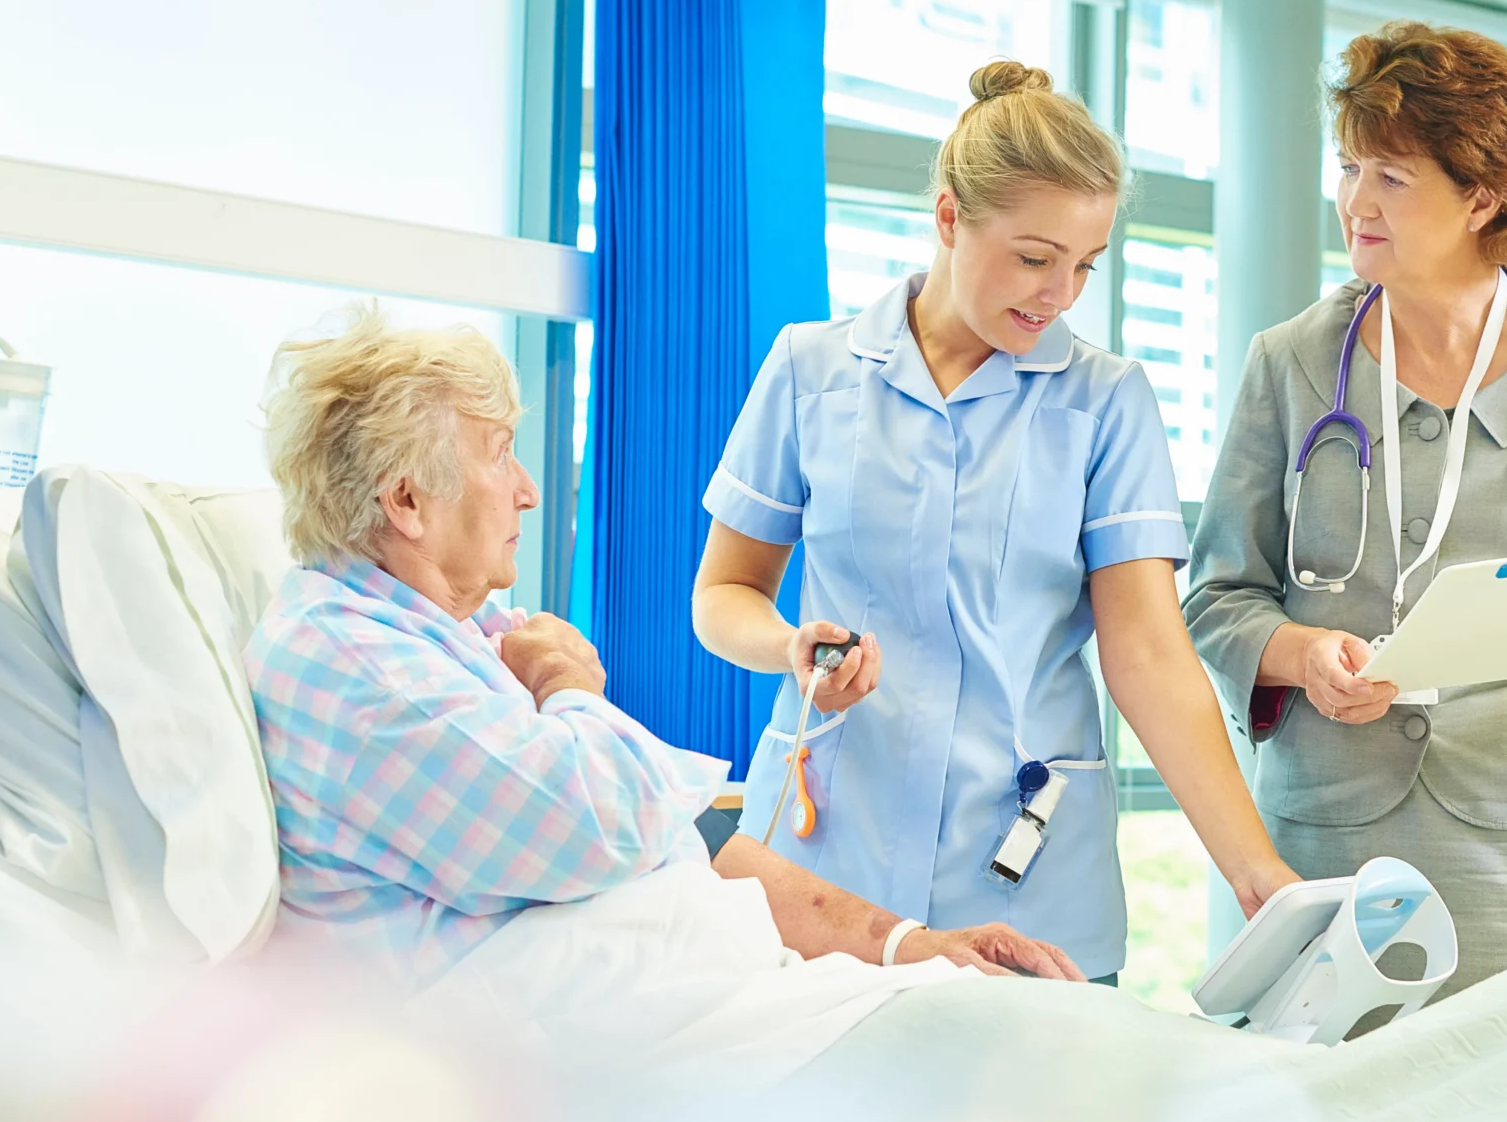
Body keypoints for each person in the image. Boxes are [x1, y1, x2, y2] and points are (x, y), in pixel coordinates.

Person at [242, 305, 1085, 997]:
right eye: (501, 456)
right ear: (406, 501)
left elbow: (684, 831)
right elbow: (610, 823)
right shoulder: (363, 670)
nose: (529, 490)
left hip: (714, 988)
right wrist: (573, 689)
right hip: (590, 1053)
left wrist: (905, 945)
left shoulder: (450, 636)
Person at [693, 61, 1298, 986]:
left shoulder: (1106, 402)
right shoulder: (811, 370)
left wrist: (1255, 873)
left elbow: (1148, 653)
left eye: (1084, 266)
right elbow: (723, 594)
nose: (1060, 293)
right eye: (1033, 257)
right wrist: (786, 647)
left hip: (1024, 877)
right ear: (948, 218)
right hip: (826, 867)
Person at [1183, 22, 1507, 995]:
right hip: (1334, 839)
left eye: (1390, 177)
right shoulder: (1289, 361)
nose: (1353, 202)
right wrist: (1298, 653)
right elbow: (1215, 593)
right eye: (1348, 168)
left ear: (1483, 194)